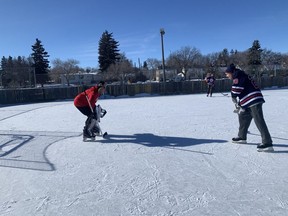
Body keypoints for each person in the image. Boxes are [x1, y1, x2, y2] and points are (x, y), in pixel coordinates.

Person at [225, 64, 273, 152]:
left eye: (227, 74)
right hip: (248, 100)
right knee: (243, 116)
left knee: (258, 120)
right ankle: (242, 137)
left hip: (253, 99)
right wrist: (239, 103)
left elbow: (236, 89)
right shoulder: (241, 74)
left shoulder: (238, 75)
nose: (226, 75)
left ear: (231, 72)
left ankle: (267, 143)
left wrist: (233, 96)